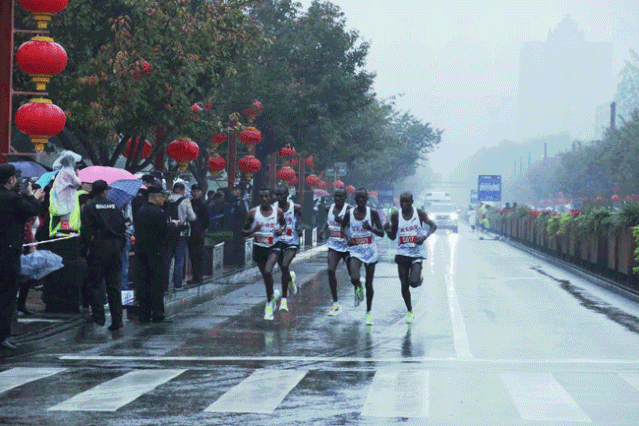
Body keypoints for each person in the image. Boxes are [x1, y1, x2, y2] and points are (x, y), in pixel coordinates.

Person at [0, 165, 42, 350]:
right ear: (11, 180)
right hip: (8, 251)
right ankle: (2, 334)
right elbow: (30, 209)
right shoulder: (11, 199)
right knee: (7, 293)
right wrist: (34, 197)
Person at [80, 180, 127, 331]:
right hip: (114, 247)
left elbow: (86, 230)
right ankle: (117, 320)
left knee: (94, 283)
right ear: (105, 191)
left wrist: (84, 250)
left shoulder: (90, 206)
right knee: (114, 286)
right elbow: (122, 228)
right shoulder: (115, 206)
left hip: (98, 247)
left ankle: (99, 316)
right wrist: (120, 246)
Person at [384, 192, 437, 323]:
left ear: (412, 202)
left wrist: (424, 236)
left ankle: (418, 279)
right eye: (402, 202)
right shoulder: (396, 215)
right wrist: (387, 229)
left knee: (413, 282)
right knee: (404, 284)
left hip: (417, 252)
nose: (404, 204)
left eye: (407, 202)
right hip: (402, 253)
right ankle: (409, 311)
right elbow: (392, 236)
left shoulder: (419, 214)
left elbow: (433, 226)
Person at [340, 188, 384, 325]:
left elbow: (382, 233)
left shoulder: (373, 214)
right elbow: (342, 227)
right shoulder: (349, 214)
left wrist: (371, 228)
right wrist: (347, 237)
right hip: (356, 250)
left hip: (370, 251)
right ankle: (358, 286)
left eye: (363, 198)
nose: (360, 200)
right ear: (355, 199)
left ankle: (368, 312)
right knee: (354, 278)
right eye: (358, 198)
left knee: (370, 284)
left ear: (366, 199)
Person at [242, 187, 287, 321]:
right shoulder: (252, 213)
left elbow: (284, 225)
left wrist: (281, 231)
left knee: (268, 271)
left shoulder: (278, 212)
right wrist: (252, 231)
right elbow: (242, 232)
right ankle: (272, 295)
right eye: (262, 197)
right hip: (259, 247)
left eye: (267, 196)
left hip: (274, 246)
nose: (264, 199)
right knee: (266, 277)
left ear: (271, 197)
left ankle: (268, 304)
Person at [136, 184, 178, 323]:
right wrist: (172, 225)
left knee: (143, 283)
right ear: (156, 196)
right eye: (163, 196)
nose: (165, 199)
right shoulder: (158, 213)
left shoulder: (141, 210)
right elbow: (163, 233)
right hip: (157, 252)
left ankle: (144, 313)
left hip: (141, 251)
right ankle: (158, 313)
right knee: (156, 283)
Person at [319, 187, 351, 316]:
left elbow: (353, 224)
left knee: (352, 275)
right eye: (336, 196)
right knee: (331, 271)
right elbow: (328, 221)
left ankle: (359, 285)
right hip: (333, 244)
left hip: (347, 246)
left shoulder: (349, 209)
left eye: (340, 196)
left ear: (345, 197)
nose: (338, 199)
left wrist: (342, 221)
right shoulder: (329, 208)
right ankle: (335, 303)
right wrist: (322, 229)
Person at [271, 185, 303, 312]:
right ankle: (290, 279)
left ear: (287, 194)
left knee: (284, 266)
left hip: (291, 242)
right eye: (277, 195)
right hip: (278, 241)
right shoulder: (272, 208)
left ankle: (284, 300)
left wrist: (299, 227)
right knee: (283, 269)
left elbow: (299, 219)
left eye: (282, 195)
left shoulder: (295, 207)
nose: (279, 197)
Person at [165, 182, 196, 290]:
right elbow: (192, 217)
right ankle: (178, 284)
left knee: (167, 259)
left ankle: (165, 284)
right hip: (182, 233)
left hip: (169, 232)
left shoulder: (166, 199)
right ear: (182, 190)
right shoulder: (185, 201)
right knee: (179, 259)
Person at [187, 184, 209, 285]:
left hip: (198, 234)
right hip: (190, 233)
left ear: (201, 193)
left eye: (198, 191)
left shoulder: (202, 205)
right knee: (192, 255)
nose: (196, 193)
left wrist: (201, 229)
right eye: (194, 191)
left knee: (198, 255)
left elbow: (206, 221)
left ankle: (198, 276)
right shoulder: (189, 203)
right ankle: (195, 276)